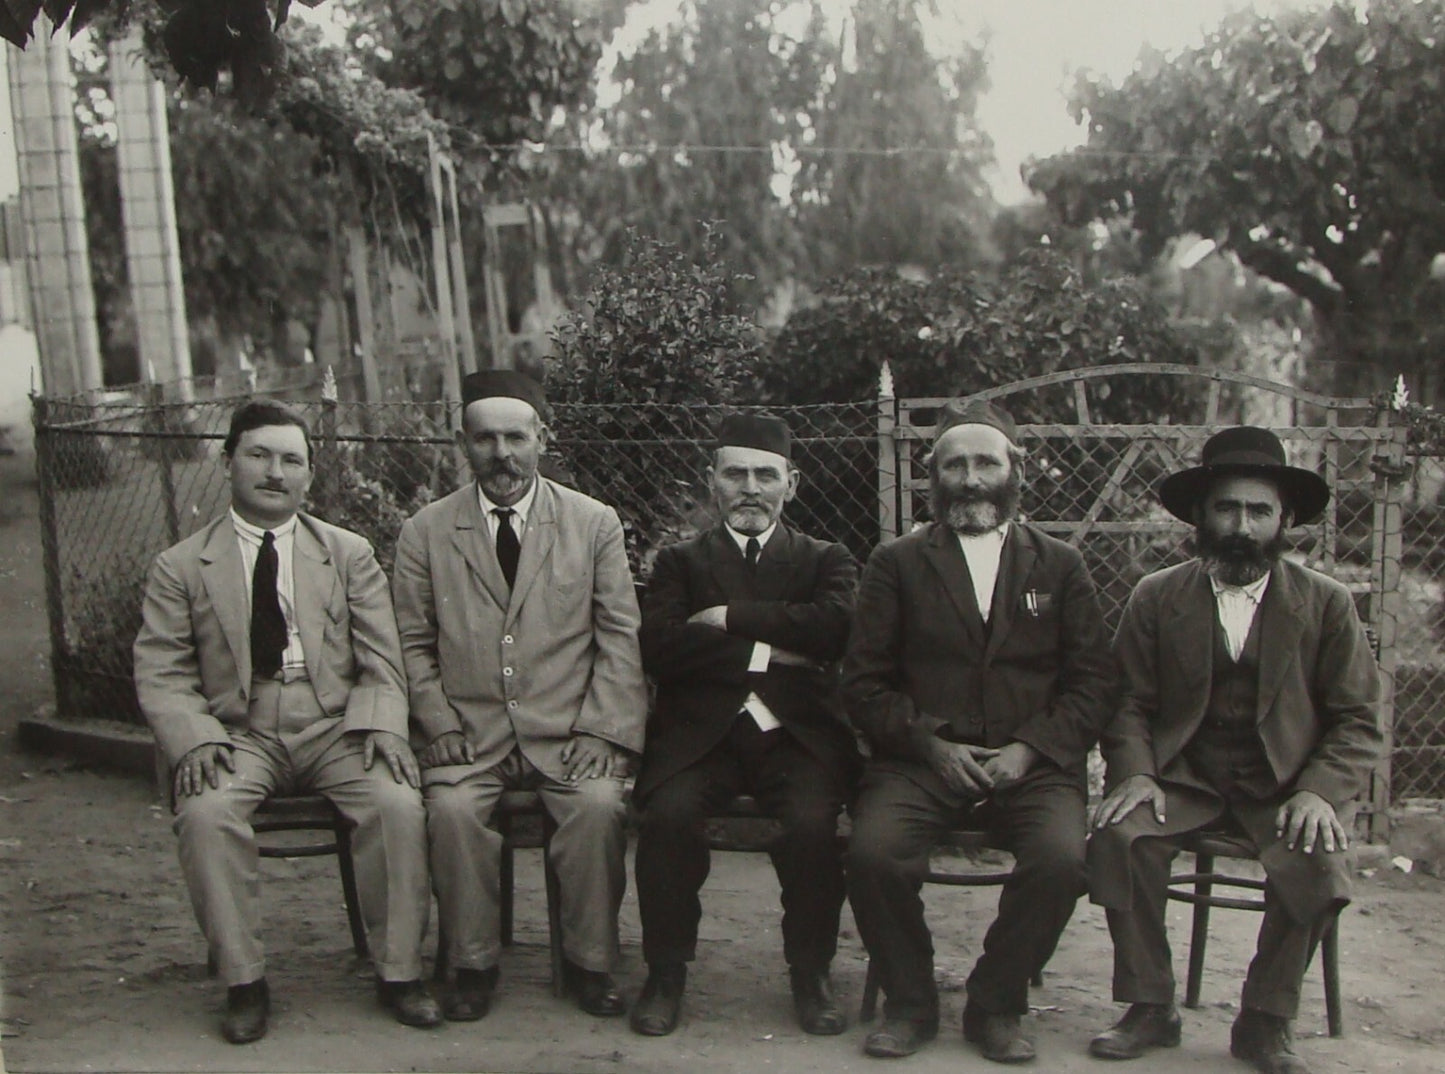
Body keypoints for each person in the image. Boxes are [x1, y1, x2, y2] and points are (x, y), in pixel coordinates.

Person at [133, 400, 439, 1044]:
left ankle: (400, 972)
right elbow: (162, 670)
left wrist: (383, 725)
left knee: (396, 802)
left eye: (291, 460)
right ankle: (245, 982)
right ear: (227, 463)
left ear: (309, 472)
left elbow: (383, 655)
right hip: (239, 730)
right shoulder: (183, 565)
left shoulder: (347, 553)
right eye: (259, 455)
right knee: (207, 811)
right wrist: (195, 739)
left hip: (335, 723)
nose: (276, 473)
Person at [1087, 426, 1382, 1074]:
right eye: (1226, 508)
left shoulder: (1326, 604)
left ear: (1285, 520)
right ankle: (1148, 1005)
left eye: (1258, 511)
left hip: (1280, 787)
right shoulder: (1156, 596)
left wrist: (1315, 792)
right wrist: (1136, 773)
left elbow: (1358, 720)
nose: (1240, 525)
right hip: (1184, 781)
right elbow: (1126, 702)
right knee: (1119, 835)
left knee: (1317, 859)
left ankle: (1264, 1021)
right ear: (1199, 515)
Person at [842, 399, 1116, 1063]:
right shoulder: (896, 562)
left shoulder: (1060, 565)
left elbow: (1093, 684)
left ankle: (995, 1002)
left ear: (1014, 468)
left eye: (984, 462)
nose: (970, 478)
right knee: (872, 854)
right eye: (954, 464)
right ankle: (909, 1002)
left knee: (1061, 861)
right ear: (932, 474)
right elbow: (861, 684)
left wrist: (1029, 748)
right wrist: (930, 743)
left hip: (1032, 763)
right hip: (921, 760)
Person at [391, 370, 647, 1023]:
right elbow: (411, 642)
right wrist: (436, 720)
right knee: (449, 813)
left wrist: (602, 730)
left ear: (542, 437)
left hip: (567, 734)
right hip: (468, 735)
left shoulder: (593, 524)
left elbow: (619, 636)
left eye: (515, 437)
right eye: (484, 439)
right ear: (462, 444)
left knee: (596, 808)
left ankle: (590, 965)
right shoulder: (425, 531)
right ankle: (472, 965)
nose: (501, 454)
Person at [630, 414, 861, 1038]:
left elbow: (836, 630)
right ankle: (666, 971)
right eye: (736, 474)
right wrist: (772, 649)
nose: (751, 488)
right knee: (667, 818)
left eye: (766, 474)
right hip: (701, 736)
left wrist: (727, 616)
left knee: (814, 825)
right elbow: (661, 646)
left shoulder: (825, 558)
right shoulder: (679, 561)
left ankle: (811, 973)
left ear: (793, 482)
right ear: (713, 483)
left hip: (797, 735)